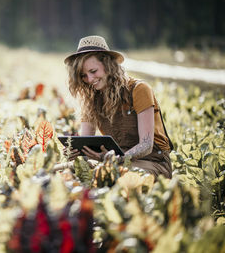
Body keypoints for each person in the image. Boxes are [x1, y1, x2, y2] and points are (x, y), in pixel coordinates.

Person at [64, 35, 172, 179]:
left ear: (108, 66)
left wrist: (116, 159)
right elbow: (86, 144)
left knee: (117, 176)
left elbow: (146, 145)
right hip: (116, 162)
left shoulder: (139, 89)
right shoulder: (91, 100)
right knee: (67, 172)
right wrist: (76, 154)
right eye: (83, 76)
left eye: (93, 71)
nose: (89, 80)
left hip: (152, 161)